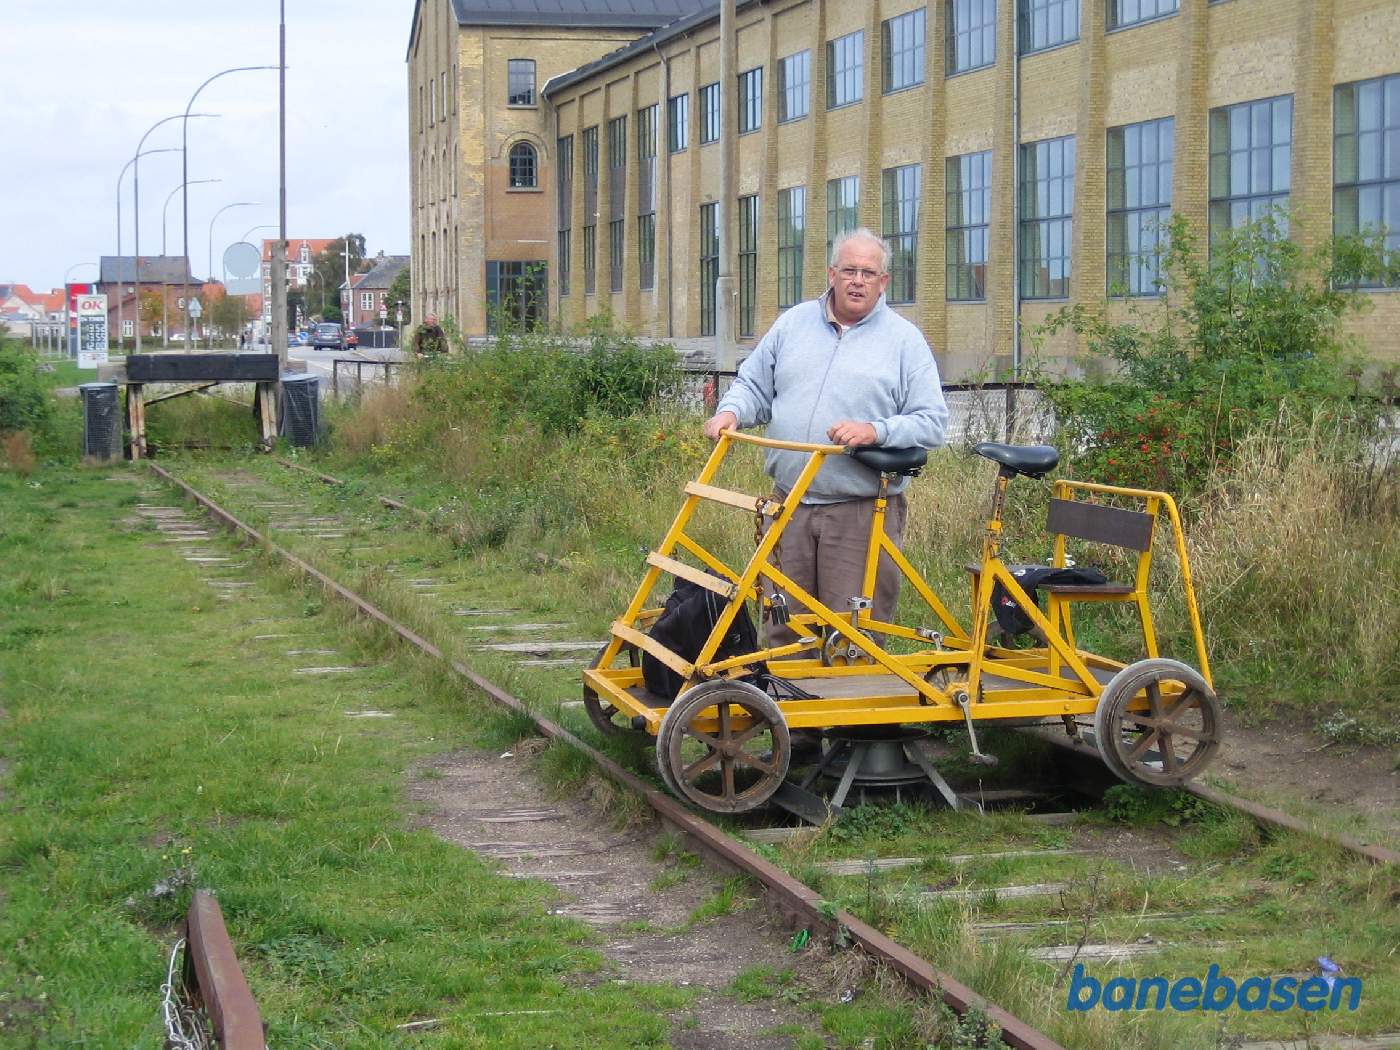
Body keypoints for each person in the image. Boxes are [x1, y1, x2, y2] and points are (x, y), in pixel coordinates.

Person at [702, 227, 948, 652]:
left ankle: (855, 718)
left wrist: (876, 430)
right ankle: (789, 716)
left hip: (859, 511)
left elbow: (932, 423)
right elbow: (754, 385)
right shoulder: (793, 324)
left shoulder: (904, 341)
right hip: (787, 506)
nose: (858, 280)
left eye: (868, 273)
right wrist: (731, 412)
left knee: (850, 634)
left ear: (883, 282)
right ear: (831, 273)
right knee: (783, 625)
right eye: (849, 270)